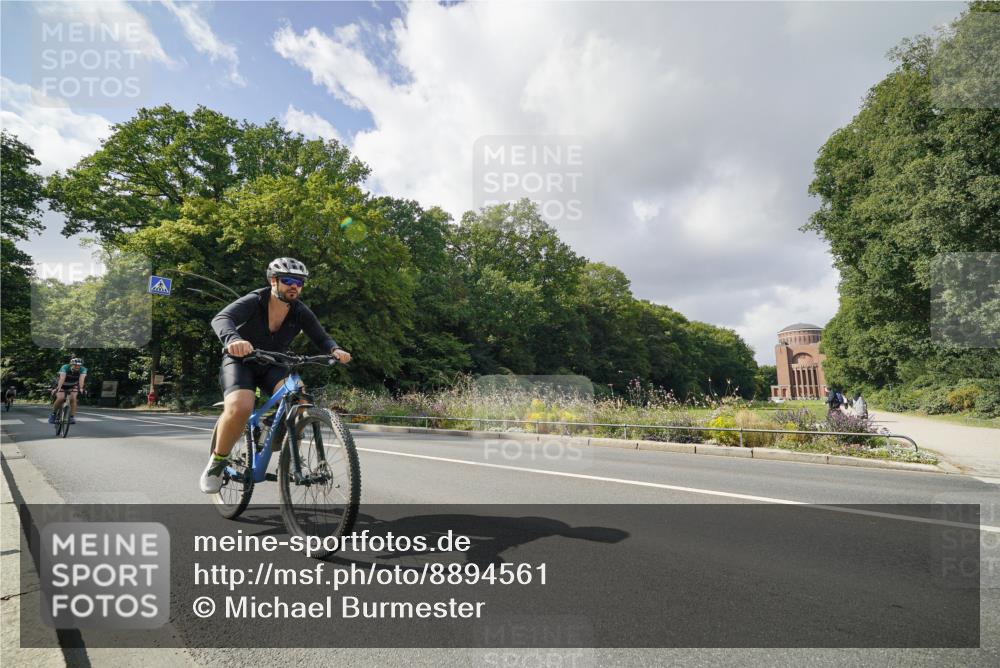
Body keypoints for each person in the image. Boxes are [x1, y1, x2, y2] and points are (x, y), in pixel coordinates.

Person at [199, 257, 351, 494]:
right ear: (273, 281)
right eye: (288, 280)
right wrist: (234, 340)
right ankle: (217, 463)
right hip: (241, 361)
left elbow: (320, 337)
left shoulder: (300, 311)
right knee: (241, 407)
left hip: (274, 363)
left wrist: (334, 349)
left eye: (299, 282)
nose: (294, 286)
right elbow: (221, 318)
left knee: (300, 400)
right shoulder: (255, 300)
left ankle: (289, 458)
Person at [49, 358, 87, 424]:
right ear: (71, 364)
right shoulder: (65, 367)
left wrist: (81, 388)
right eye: (75, 365)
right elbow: (62, 378)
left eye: (79, 365)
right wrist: (58, 388)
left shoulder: (83, 369)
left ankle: (71, 417)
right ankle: (53, 415)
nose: (77, 367)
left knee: (73, 399)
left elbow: (81, 379)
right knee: (61, 398)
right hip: (60, 384)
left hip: (72, 385)